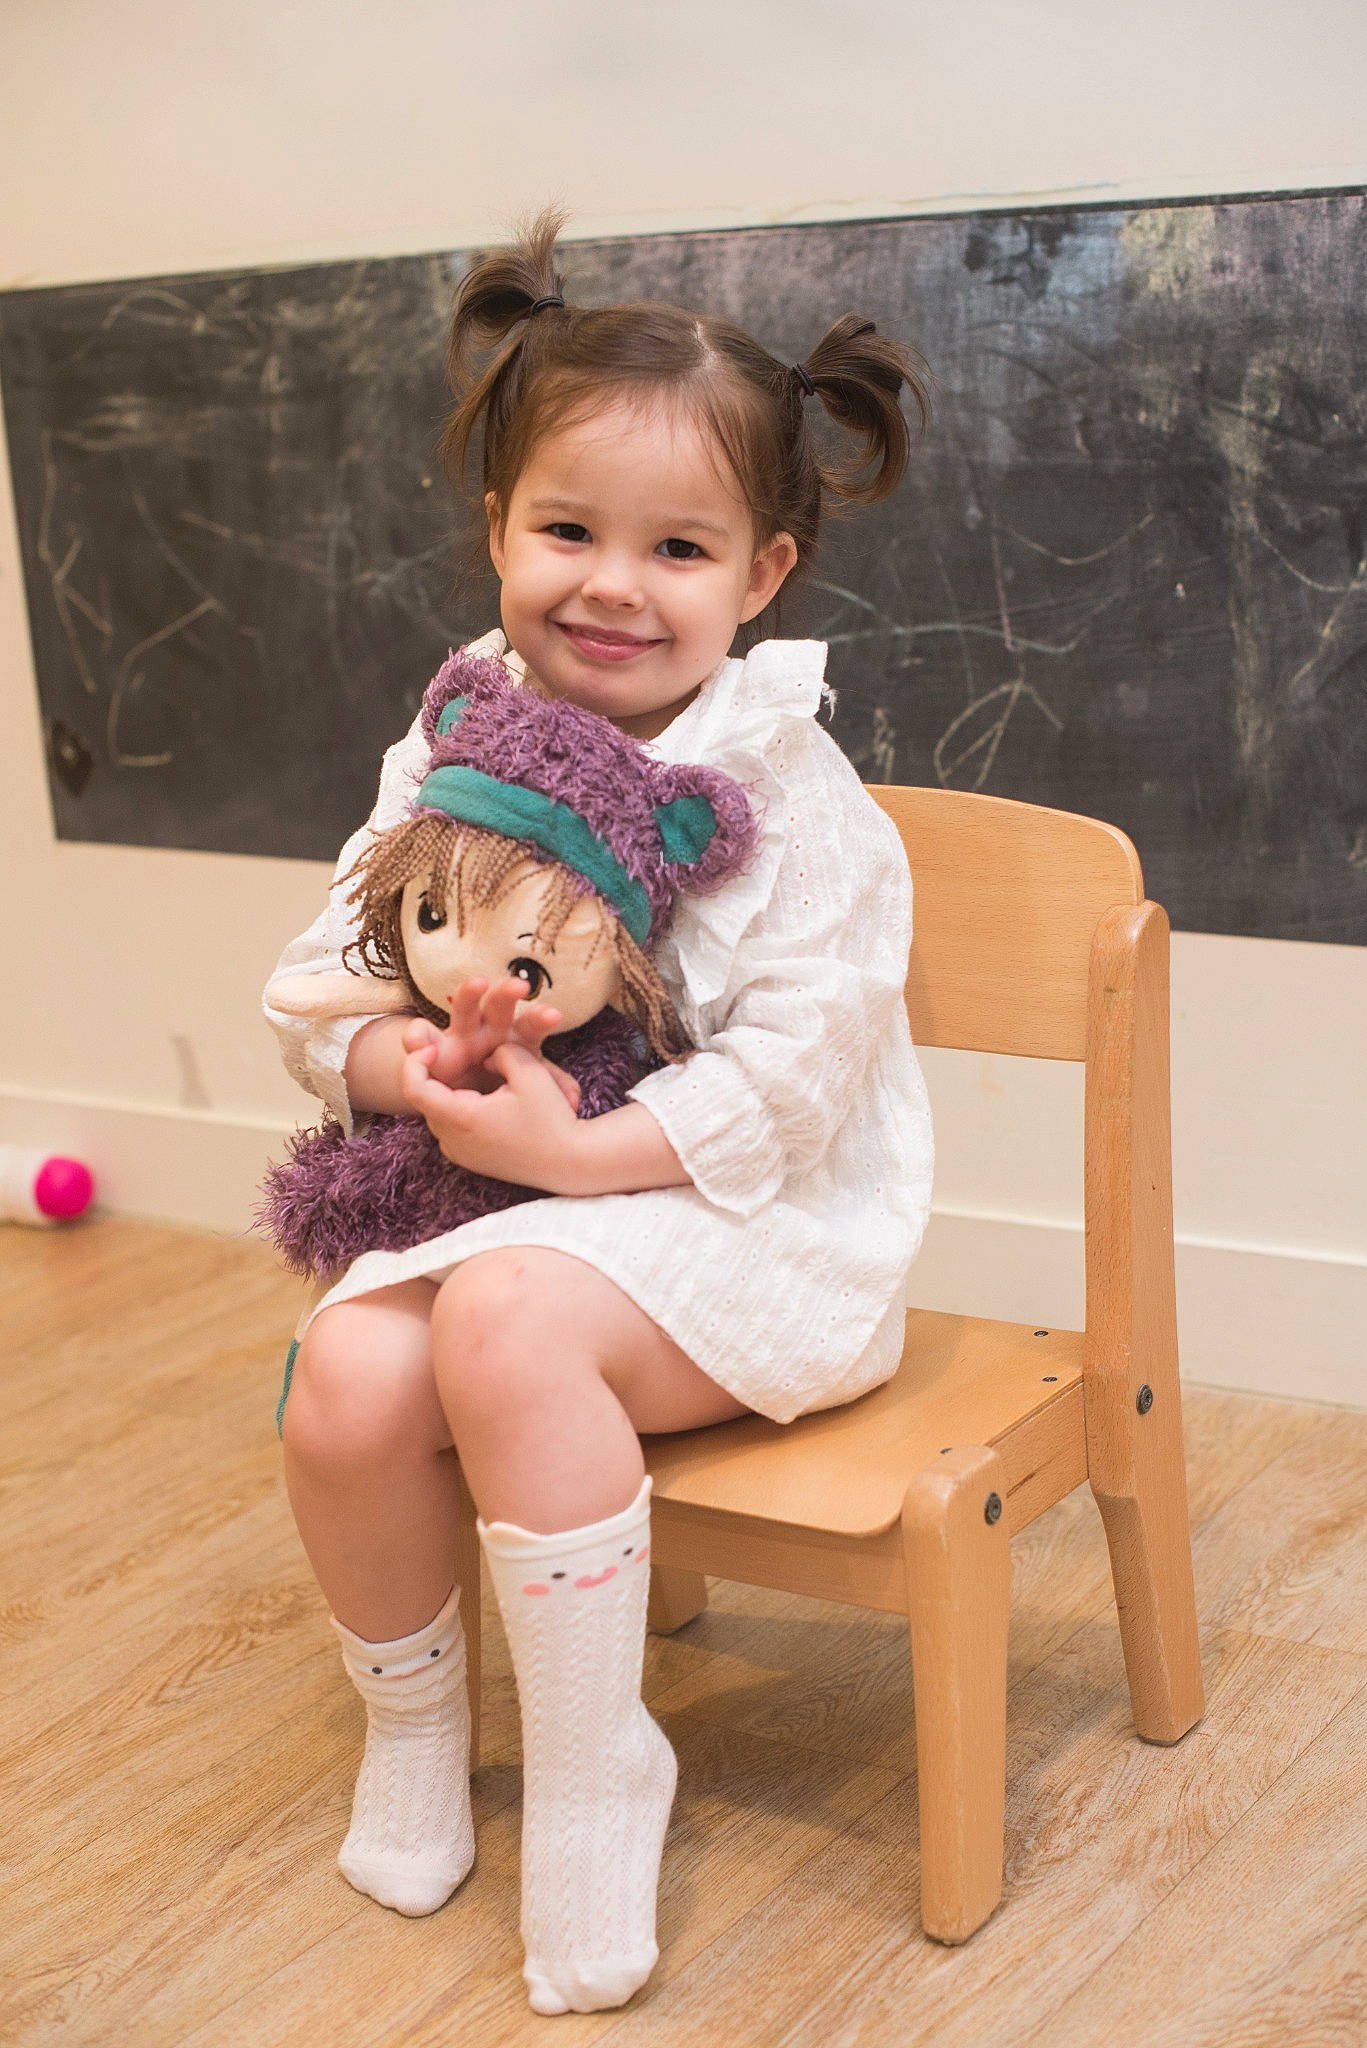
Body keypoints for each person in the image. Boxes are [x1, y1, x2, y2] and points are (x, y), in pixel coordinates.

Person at [264, 210, 935, 2017]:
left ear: (763, 570)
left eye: (679, 547)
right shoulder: (450, 749)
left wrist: (570, 1154)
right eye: (567, 530)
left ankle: (591, 1771)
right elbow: (332, 969)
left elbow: (794, 1090)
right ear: (498, 531)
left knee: (498, 1316)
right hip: (513, 1200)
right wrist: (391, 1063)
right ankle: (415, 1736)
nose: (611, 585)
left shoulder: (791, 798)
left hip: (743, 1229)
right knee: (350, 1378)